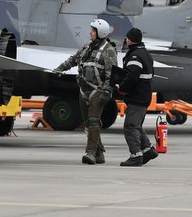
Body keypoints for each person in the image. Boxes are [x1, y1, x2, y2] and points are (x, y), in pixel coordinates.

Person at [54, 18, 118, 165]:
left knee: (94, 121)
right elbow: (73, 60)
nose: (90, 32)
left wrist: (107, 92)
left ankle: (90, 153)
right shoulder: (86, 47)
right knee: (88, 123)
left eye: (93, 30)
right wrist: (59, 69)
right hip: (84, 90)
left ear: (100, 32)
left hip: (98, 90)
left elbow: (112, 74)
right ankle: (99, 153)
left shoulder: (108, 50)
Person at [115, 27, 158, 167]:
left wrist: (120, 88)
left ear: (130, 40)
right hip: (143, 96)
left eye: (127, 38)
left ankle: (135, 156)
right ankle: (148, 150)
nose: (126, 40)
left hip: (137, 98)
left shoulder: (135, 56)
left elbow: (132, 75)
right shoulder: (145, 54)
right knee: (137, 126)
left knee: (130, 126)